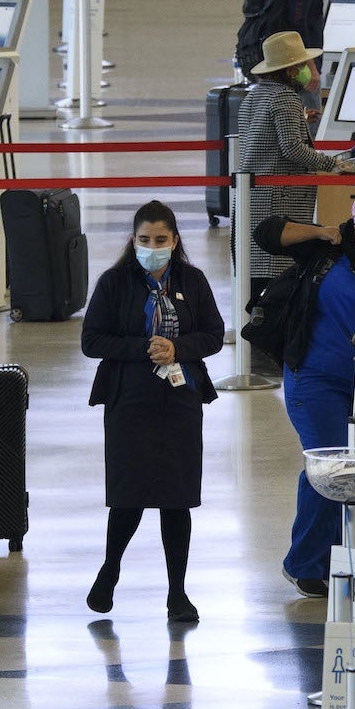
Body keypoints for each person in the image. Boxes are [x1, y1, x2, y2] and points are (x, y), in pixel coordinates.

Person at [254, 187, 355, 598]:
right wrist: (319, 232)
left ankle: (344, 559)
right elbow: (265, 233)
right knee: (333, 466)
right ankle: (304, 562)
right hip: (313, 378)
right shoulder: (325, 252)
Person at [80, 201, 224, 623]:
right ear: (133, 241)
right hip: (130, 400)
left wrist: (178, 348)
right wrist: (145, 349)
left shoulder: (192, 281)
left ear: (174, 241)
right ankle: (110, 570)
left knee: (176, 498)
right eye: (144, 240)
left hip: (180, 401)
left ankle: (177, 592)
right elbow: (92, 341)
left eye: (160, 240)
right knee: (129, 494)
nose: (152, 247)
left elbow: (214, 334)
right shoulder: (114, 282)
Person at [238, 31, 347, 295]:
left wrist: (299, 117)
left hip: (252, 199)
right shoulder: (285, 98)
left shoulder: (254, 96)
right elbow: (292, 149)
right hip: (280, 202)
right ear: (290, 70)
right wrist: (332, 164)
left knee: (253, 277)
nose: (308, 70)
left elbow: (263, 133)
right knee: (278, 279)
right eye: (304, 65)